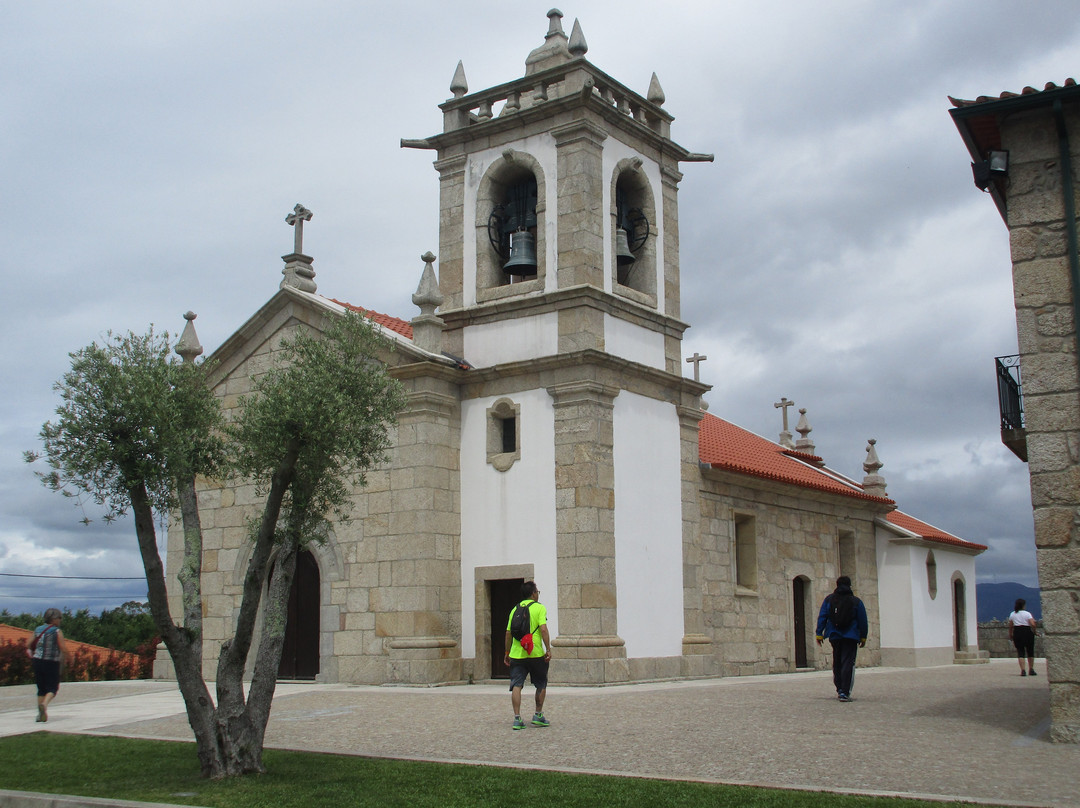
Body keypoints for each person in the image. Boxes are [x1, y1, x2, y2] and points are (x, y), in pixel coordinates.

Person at [503, 580, 551, 730]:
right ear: (533, 593)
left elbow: (508, 633)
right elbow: (543, 629)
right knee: (541, 683)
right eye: (537, 592)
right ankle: (538, 715)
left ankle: (517, 718)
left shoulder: (514, 609)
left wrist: (507, 652)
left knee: (517, 685)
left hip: (517, 654)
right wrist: (548, 648)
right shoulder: (539, 608)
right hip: (535, 653)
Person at [815, 576, 868, 702]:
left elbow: (822, 616)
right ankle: (845, 691)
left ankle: (839, 688)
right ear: (850, 585)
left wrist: (819, 633)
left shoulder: (829, 600)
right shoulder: (856, 602)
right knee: (848, 662)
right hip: (851, 636)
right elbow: (863, 620)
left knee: (837, 662)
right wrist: (863, 637)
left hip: (834, 635)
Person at [30, 608, 69, 722]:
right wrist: (69, 658)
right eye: (59, 618)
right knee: (52, 688)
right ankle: (44, 705)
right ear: (54, 619)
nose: (60, 620)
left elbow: (28, 643)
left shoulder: (38, 629)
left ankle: (40, 715)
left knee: (41, 688)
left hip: (37, 661)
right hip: (51, 662)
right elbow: (63, 648)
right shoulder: (56, 631)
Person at [1007, 598, 1038, 676]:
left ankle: (1023, 670)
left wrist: (1010, 634)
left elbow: (1010, 626)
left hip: (1017, 632)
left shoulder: (1012, 614)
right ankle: (1031, 669)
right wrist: (1034, 631)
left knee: (1020, 652)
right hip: (1027, 632)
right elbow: (1033, 624)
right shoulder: (1027, 614)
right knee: (1030, 651)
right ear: (1023, 605)